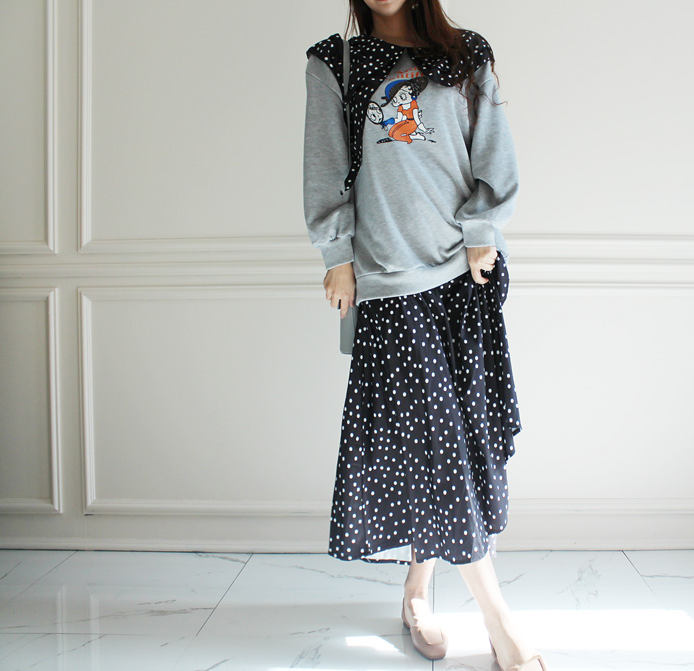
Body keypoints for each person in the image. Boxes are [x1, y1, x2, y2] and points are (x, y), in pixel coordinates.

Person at [302, 1, 548, 670]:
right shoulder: (335, 62)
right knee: (437, 443)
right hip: (389, 280)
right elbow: (325, 165)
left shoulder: (466, 53)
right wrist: (337, 256)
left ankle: (417, 589)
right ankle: (499, 621)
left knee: (452, 439)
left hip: (464, 274)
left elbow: (492, 147)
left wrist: (483, 231)